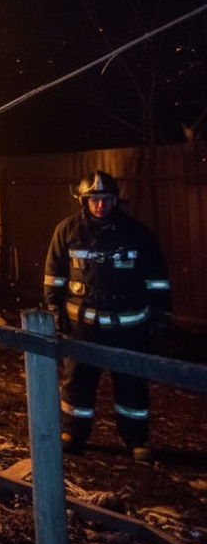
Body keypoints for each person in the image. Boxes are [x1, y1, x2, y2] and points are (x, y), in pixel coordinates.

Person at [43, 170, 171, 462]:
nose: (101, 205)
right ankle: (73, 434)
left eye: (107, 199)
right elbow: (54, 275)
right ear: (84, 201)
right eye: (95, 199)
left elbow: (157, 277)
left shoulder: (137, 233)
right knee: (77, 382)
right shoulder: (67, 231)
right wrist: (54, 309)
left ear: (116, 200)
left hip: (129, 328)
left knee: (132, 385)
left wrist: (162, 314)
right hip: (82, 327)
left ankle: (136, 439)